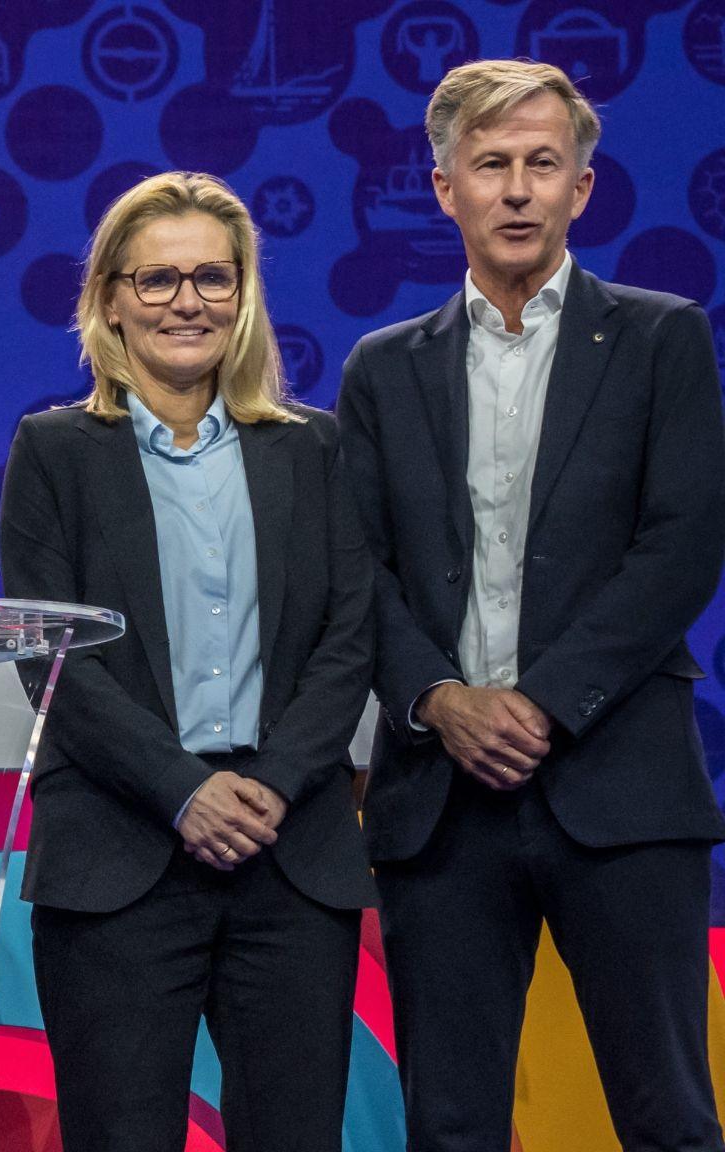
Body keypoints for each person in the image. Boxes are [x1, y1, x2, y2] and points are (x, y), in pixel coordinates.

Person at [338, 58, 725, 1151]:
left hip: (619, 792)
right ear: (443, 187)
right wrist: (437, 699)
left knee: (667, 1117)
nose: (515, 189)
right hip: (439, 808)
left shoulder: (659, 339)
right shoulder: (380, 370)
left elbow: (679, 547)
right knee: (450, 1126)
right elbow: (353, 571)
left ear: (580, 190)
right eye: (490, 164)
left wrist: (542, 702)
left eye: (540, 165)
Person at [0, 171, 376, 1152]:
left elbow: (348, 636)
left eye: (210, 277)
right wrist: (179, 789)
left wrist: (275, 783)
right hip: (118, 853)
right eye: (156, 279)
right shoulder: (53, 452)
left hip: (287, 853)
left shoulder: (312, 450)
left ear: (243, 295)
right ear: (110, 299)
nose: (184, 302)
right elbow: (47, 652)